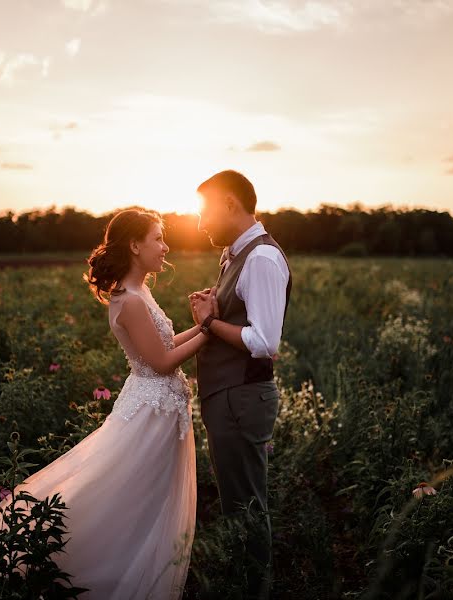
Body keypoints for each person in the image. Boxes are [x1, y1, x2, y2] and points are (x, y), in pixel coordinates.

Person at [0, 209, 219, 599]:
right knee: (121, 502)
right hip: (149, 415)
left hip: (158, 412)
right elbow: (161, 363)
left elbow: (164, 345)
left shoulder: (140, 292)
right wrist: (210, 328)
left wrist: (201, 322)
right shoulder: (130, 301)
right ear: (135, 244)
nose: (166, 246)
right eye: (158, 238)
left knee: (142, 505)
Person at [188, 169, 292, 600]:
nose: (201, 224)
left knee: (248, 505)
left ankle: (255, 590)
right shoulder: (236, 254)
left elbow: (265, 341)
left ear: (231, 204)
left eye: (205, 212)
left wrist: (209, 321)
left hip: (242, 397)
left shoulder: (262, 258)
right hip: (228, 397)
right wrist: (215, 309)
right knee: (236, 503)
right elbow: (241, 319)